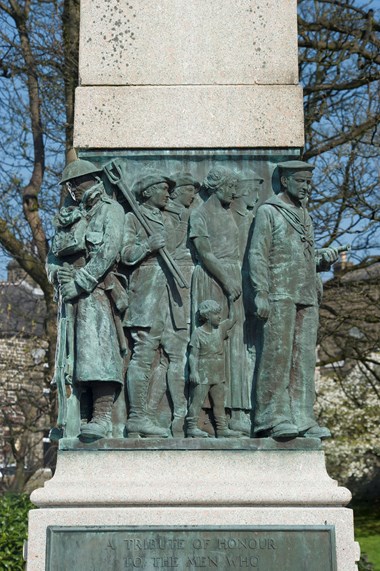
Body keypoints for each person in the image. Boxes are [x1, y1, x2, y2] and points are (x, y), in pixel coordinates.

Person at [248, 160, 339, 439]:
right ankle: (271, 416)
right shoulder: (269, 212)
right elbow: (258, 254)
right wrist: (260, 292)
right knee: (278, 355)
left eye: (309, 183)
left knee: (303, 359)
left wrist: (321, 261)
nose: (307, 187)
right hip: (279, 293)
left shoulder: (305, 215)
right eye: (301, 182)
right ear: (285, 181)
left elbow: (303, 256)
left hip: (306, 293)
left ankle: (303, 417)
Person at [47, 159, 127, 440]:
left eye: (75, 183)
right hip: (70, 297)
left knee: (98, 352)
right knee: (72, 357)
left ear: (91, 180)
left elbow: (108, 252)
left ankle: (102, 415)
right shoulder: (69, 216)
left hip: (97, 292)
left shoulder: (111, 211)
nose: (71, 189)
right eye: (68, 185)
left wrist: (80, 282)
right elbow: (52, 258)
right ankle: (78, 414)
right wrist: (59, 276)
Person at [121, 170, 188, 438]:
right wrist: (147, 245)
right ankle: (137, 416)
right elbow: (125, 255)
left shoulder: (166, 218)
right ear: (148, 191)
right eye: (163, 189)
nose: (168, 194)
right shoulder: (133, 217)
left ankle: (158, 413)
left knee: (173, 355)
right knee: (144, 352)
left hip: (170, 295)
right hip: (146, 291)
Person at [186, 299, 241, 438]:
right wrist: (193, 372)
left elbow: (233, 318)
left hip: (218, 373)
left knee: (219, 402)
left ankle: (222, 429)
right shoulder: (198, 333)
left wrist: (230, 300)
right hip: (203, 374)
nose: (219, 317)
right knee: (196, 402)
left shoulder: (220, 329)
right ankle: (191, 427)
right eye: (216, 314)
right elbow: (193, 355)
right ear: (207, 316)